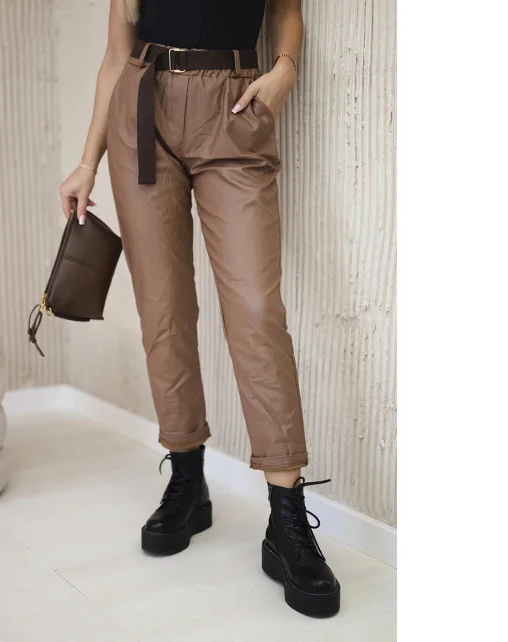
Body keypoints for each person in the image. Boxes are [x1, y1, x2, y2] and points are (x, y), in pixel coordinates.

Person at [59, 0, 340, 617]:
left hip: (234, 108)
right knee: (162, 308)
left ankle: (286, 518)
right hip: (141, 110)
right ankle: (188, 480)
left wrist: (285, 68)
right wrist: (87, 163)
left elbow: (286, 10)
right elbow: (115, 57)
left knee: (256, 310)